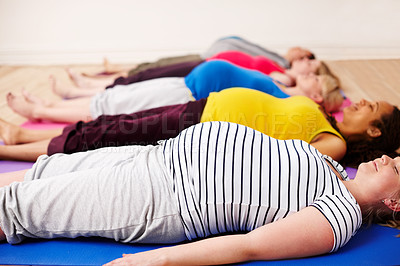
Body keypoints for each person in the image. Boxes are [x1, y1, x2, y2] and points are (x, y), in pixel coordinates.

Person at [0, 121, 399, 266]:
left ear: (395, 203)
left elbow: (250, 247)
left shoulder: (341, 216)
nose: (385, 157)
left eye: (396, 168)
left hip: (161, 196)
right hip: (158, 156)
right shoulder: (335, 169)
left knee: (17, 209)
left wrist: (156, 261)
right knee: (39, 173)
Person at [1, 88, 399, 167]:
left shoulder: (334, 145)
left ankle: (9, 149)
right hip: (202, 107)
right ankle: (21, 136)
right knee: (106, 126)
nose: (361, 101)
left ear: (376, 131)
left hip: (201, 127)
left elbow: (279, 159)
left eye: (371, 107)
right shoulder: (328, 117)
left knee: (101, 139)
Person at [6, 60, 342, 124]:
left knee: (113, 108)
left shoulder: (293, 102)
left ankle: (40, 112)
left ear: (316, 98)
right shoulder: (283, 83)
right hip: (187, 87)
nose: (313, 77)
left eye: (317, 82)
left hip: (189, 99)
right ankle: (49, 104)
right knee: (113, 99)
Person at [67, 49, 323, 93]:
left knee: (147, 79)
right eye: (309, 64)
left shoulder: (283, 79)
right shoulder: (280, 67)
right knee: (150, 71)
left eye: (312, 66)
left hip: (200, 74)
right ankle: (99, 81)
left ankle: (93, 86)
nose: (306, 65)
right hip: (204, 63)